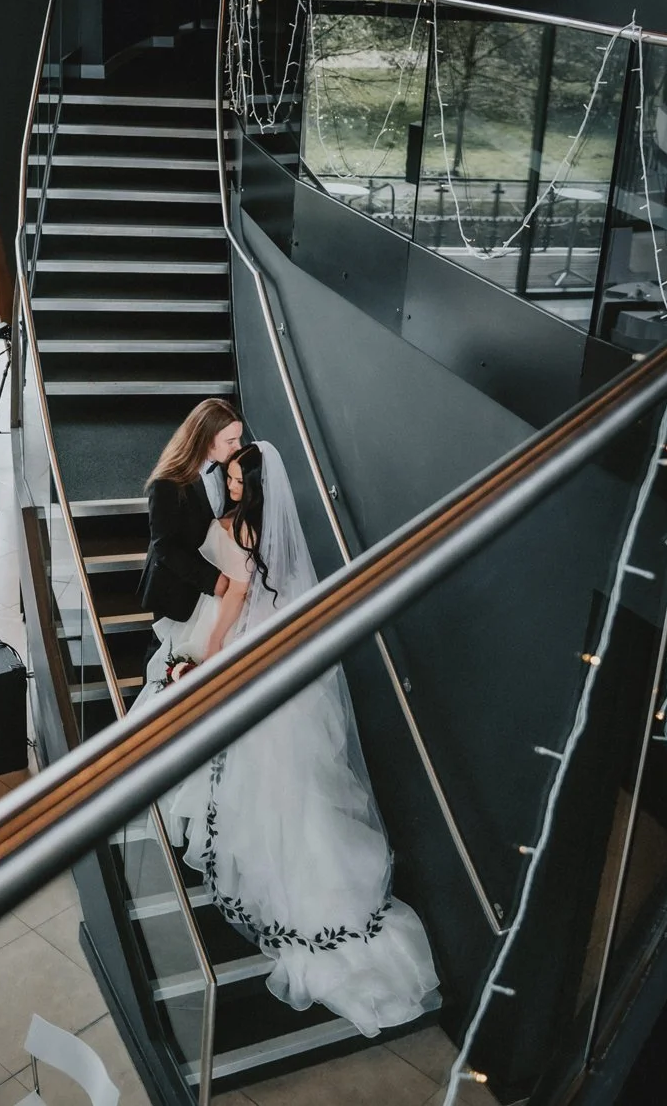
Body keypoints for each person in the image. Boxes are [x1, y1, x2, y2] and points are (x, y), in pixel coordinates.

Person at [142, 440, 441, 1037]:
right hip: (280, 670)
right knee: (300, 791)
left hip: (241, 657)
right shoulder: (269, 534)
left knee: (261, 790)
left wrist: (201, 664)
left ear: (249, 487)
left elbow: (228, 610)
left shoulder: (242, 535)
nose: (226, 486)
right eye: (225, 475)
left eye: (231, 478)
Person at [137, 398, 245, 658]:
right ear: (207, 440)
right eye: (231, 441)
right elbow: (165, 547)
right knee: (168, 658)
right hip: (179, 587)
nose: (238, 447)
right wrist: (212, 580)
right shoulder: (167, 483)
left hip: (214, 590)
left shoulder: (225, 469)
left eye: (238, 439)